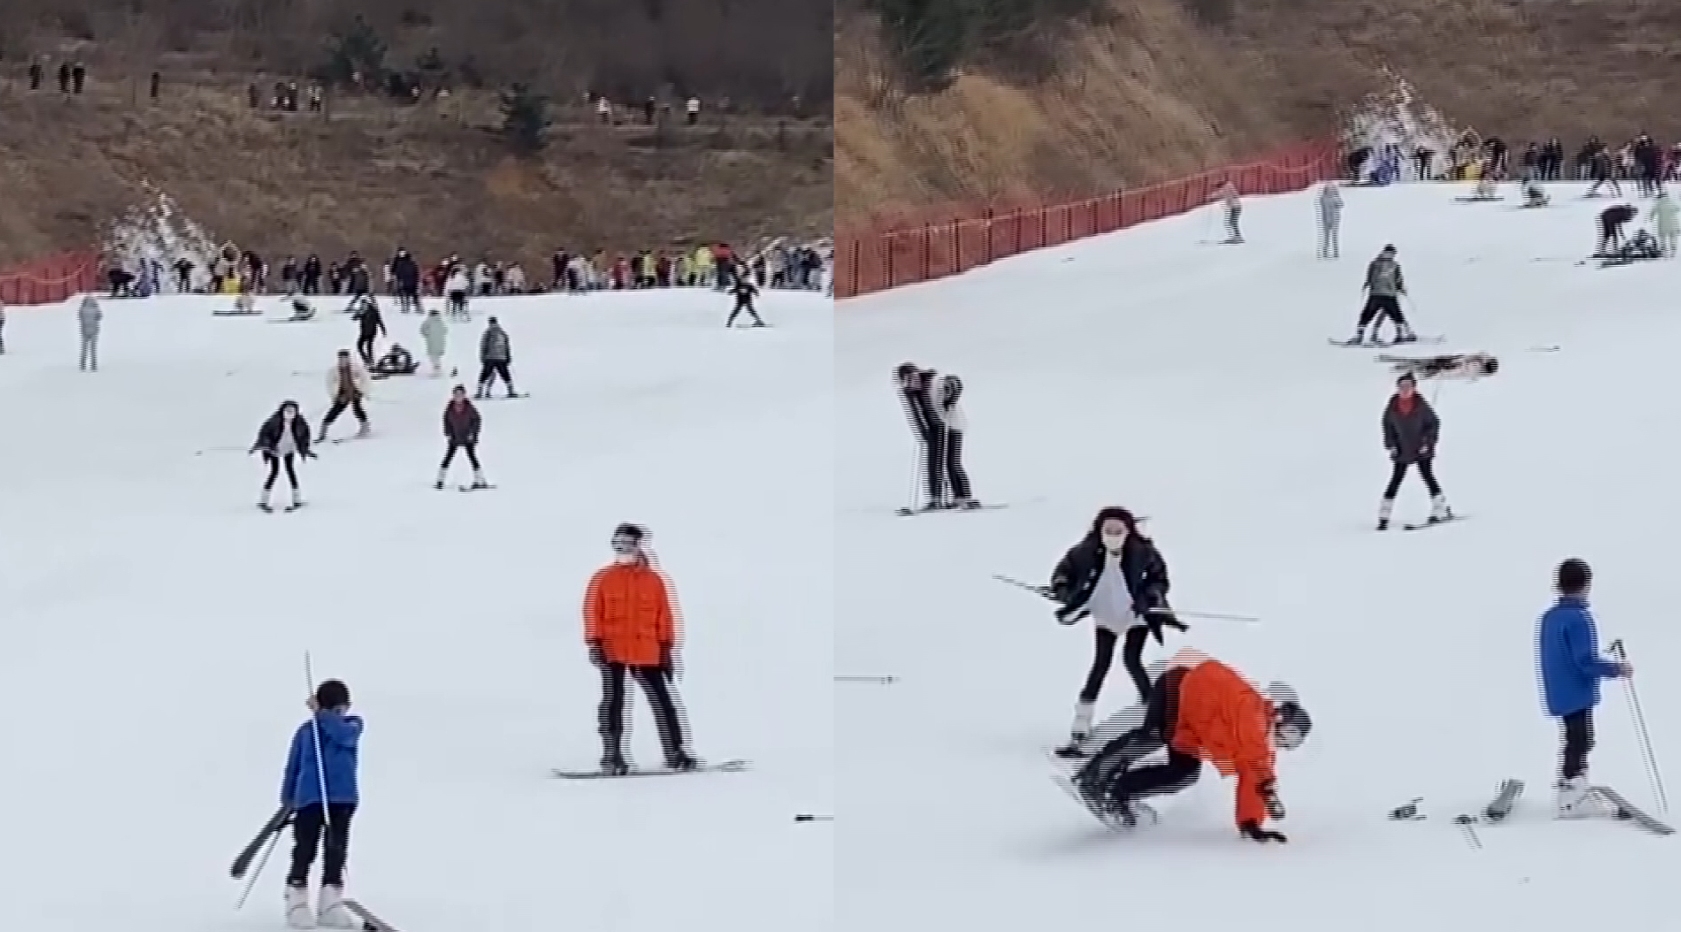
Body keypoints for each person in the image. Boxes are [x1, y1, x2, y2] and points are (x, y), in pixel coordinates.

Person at [1069, 647, 1309, 841]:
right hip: (1181, 687)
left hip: (1190, 729)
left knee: (1185, 773)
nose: (1283, 741)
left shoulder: (1259, 748)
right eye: (1288, 733)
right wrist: (1264, 780)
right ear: (1279, 716)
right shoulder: (1252, 709)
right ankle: (1094, 775)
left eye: (1291, 742)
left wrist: (1251, 823)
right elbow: (1256, 759)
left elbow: (1255, 778)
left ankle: (1119, 792)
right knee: (1157, 733)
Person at [1050, 506, 1184, 750]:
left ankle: (1152, 707)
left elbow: (1160, 578)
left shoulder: (1144, 552)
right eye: (1108, 530)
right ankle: (1082, 720)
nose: (1113, 535)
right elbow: (1063, 573)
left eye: (1118, 530)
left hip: (1135, 615)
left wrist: (1150, 597)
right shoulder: (1084, 552)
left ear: (1128, 531)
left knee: (1132, 660)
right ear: (1099, 531)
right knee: (1101, 664)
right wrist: (1063, 591)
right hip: (1105, 613)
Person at [583, 524, 696, 774]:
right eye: (617, 543)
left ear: (638, 546)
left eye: (627, 543)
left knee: (663, 702)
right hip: (612, 649)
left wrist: (666, 647)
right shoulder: (602, 578)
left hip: (647, 650)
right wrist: (594, 642)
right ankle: (612, 756)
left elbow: (665, 615)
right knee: (613, 702)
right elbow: (592, 612)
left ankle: (675, 752)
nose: (621, 548)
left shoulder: (654, 581)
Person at [1537, 558, 1633, 819]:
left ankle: (1575, 786)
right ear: (1586, 585)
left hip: (1558, 687)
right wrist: (1616, 669)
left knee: (1576, 738)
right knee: (1580, 739)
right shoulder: (1579, 618)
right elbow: (1584, 660)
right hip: (1576, 689)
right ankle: (1570, 795)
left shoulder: (1550, 617)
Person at [280, 678, 365, 929]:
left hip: (342, 798)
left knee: (336, 849)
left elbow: (342, 736)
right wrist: (288, 800)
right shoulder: (307, 732)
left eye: (341, 710)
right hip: (310, 799)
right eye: (335, 709)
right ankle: (296, 897)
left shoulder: (352, 726)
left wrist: (324, 716)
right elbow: (293, 766)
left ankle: (330, 901)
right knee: (305, 848)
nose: (340, 714)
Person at [1378, 371, 1451, 530]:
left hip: (1421, 448)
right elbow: (1387, 426)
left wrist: (1428, 442)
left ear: (1414, 388)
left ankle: (1440, 508)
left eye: (1408, 386)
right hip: (1402, 449)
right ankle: (1384, 515)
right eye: (1402, 386)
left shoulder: (1421, 405)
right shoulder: (1392, 406)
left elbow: (1434, 424)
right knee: (1396, 479)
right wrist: (1391, 445)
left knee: (1427, 476)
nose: (1405, 390)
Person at [894, 363, 946, 511]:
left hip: (944, 425)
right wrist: (923, 432)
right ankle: (935, 498)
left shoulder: (931, 382)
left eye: (914, 376)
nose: (913, 380)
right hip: (930, 429)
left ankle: (951, 496)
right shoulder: (908, 392)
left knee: (944, 462)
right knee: (932, 463)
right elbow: (915, 413)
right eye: (908, 378)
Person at [249, 400, 315, 512]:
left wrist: (305, 449)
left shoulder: (300, 423)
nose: (290, 413)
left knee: (290, 471)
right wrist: (264, 446)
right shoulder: (273, 422)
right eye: (287, 410)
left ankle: (297, 499)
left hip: (289, 449)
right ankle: (264, 500)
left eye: (292, 411)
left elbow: (304, 437)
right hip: (275, 450)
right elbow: (264, 434)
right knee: (274, 472)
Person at [1346, 245, 1415, 346]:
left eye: (1392, 254)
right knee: (1372, 314)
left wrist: (1400, 287)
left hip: (1384, 294)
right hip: (1381, 294)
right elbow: (1371, 277)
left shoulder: (1390, 265)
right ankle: (1360, 334)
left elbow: (1397, 279)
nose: (1390, 255)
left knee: (1393, 314)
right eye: (1388, 253)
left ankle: (1399, 334)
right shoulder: (1379, 264)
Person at [930, 374, 977, 509]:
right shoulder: (935, 395)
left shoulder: (940, 389)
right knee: (947, 464)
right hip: (946, 428)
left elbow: (956, 384)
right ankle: (957, 496)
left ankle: (965, 496)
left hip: (954, 427)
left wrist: (950, 396)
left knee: (953, 463)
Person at [436, 385, 488, 490]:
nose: (458, 397)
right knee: (448, 457)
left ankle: (480, 479)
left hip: (468, 437)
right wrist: (448, 433)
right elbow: (446, 421)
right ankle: (440, 480)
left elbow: (477, 420)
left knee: (472, 457)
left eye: (460, 395)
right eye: (456, 395)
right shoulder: (449, 408)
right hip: (455, 437)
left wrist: (473, 433)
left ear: (464, 395)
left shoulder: (469, 408)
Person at [318, 350, 371, 442]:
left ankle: (365, 427)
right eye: (341, 358)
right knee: (334, 411)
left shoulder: (356, 368)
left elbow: (365, 379)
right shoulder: (333, 371)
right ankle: (323, 432)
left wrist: (362, 391)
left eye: (345, 358)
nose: (343, 360)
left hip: (355, 392)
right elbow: (330, 384)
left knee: (358, 410)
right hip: (342, 395)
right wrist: (335, 396)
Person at [1382, 352, 1499, 382]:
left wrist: (1443, 373)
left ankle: (1400, 368)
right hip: (1448, 361)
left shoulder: (1476, 372)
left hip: (1446, 368)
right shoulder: (1478, 359)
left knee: (1423, 369)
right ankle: (1399, 364)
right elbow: (1463, 358)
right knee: (1422, 363)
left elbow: (1458, 373)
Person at [476, 317, 517, 398]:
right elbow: (507, 346)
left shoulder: (487, 332)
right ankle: (510, 391)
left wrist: (482, 357)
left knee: (484, 374)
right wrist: (508, 357)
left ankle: (479, 392)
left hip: (490, 358)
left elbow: (483, 345)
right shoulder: (502, 333)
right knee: (505, 374)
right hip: (502, 358)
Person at [350, 294, 385, 365]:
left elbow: (355, 318)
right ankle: (369, 360)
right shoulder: (373, 309)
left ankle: (368, 360)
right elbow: (379, 320)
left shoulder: (364, 309)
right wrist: (383, 330)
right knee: (368, 346)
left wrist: (357, 314)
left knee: (360, 345)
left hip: (366, 331)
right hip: (372, 331)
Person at [1316, 181, 1343, 259]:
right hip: (1326, 219)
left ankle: (1336, 252)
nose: (1330, 191)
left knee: (1335, 236)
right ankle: (1325, 252)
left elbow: (1341, 205)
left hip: (1335, 219)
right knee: (1326, 237)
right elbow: (1323, 207)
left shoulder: (1336, 198)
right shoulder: (1323, 199)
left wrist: (1336, 198)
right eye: (1329, 189)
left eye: (1332, 189)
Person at [419, 307, 448, 376]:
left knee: (432, 356)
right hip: (441, 341)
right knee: (437, 355)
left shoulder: (428, 321)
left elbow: (422, 330)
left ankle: (437, 370)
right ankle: (438, 369)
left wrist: (427, 334)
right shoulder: (441, 321)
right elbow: (445, 330)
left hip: (431, 341)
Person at [1212, 179, 1242, 243]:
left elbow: (1224, 194)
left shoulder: (1226, 188)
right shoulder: (1228, 187)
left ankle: (1236, 237)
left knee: (1231, 222)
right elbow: (1222, 194)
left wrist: (1213, 196)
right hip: (1236, 206)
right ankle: (1236, 236)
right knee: (1232, 222)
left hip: (1234, 207)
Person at [77, 293, 102, 371]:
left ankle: (82, 365)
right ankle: (93, 365)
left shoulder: (82, 309)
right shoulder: (96, 309)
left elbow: (79, 317)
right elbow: (100, 317)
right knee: (93, 349)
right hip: (94, 330)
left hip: (84, 330)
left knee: (84, 348)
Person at [1654, 191, 1679, 258]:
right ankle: (1673, 251)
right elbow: (1678, 209)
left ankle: (1664, 252)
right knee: (1672, 238)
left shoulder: (1659, 204)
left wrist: (1650, 218)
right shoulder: (1671, 203)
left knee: (1662, 238)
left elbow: (1652, 212)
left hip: (1662, 225)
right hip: (1672, 225)